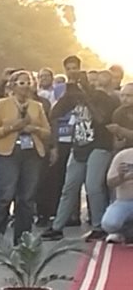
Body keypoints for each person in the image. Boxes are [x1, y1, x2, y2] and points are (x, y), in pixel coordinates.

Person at [43, 55, 119, 241]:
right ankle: (57, 227)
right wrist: (69, 91)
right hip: (79, 144)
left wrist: (86, 95)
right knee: (69, 187)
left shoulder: (105, 98)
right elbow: (55, 112)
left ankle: (99, 226)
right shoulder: (75, 95)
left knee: (93, 186)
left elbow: (101, 118)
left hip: (100, 145)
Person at [0, 70, 52, 252]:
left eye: (28, 82)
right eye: (21, 83)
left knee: (27, 198)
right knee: (4, 195)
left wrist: (33, 128)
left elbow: (47, 132)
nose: (26, 86)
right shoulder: (3, 104)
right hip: (8, 153)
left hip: (31, 154)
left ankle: (22, 239)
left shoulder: (37, 106)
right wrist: (13, 127)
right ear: (12, 86)